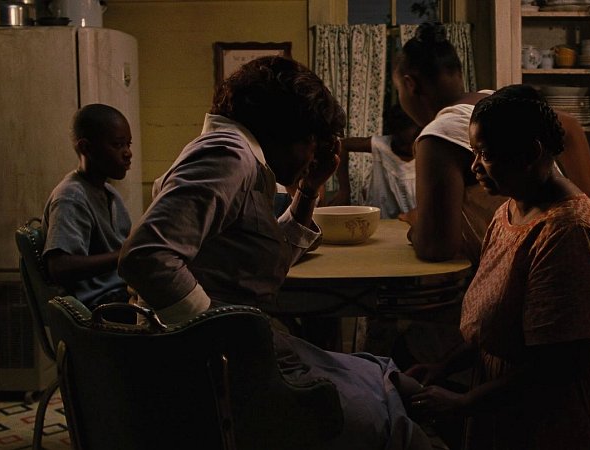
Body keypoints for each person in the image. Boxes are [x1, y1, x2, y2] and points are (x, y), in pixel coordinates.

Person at [117, 56, 431, 450]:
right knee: (388, 420)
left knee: (381, 378)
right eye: (312, 142)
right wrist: (228, 335)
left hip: (224, 352)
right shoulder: (228, 155)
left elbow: (264, 261)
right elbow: (146, 257)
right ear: (288, 130)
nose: (312, 156)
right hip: (213, 367)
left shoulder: (238, 158)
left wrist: (309, 190)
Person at [405, 86, 590, 450]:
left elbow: (561, 366)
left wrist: (463, 403)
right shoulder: (509, 212)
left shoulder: (570, 233)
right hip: (516, 411)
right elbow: (493, 331)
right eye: (473, 153)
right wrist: (442, 367)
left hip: (576, 422)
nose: (474, 167)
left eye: (486, 154)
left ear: (532, 152)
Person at [392, 22, 590, 264]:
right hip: (568, 255)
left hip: (527, 268)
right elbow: (569, 126)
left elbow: (436, 248)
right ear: (458, 73)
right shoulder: (494, 103)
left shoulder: (438, 135)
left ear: (410, 85)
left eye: (398, 90)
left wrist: (417, 223)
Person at [42, 103, 133, 309]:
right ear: (86, 148)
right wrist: (125, 255)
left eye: (128, 144)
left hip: (121, 293)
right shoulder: (71, 196)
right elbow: (59, 267)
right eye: (117, 145)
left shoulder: (110, 193)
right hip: (99, 305)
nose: (128, 153)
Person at [329, 104, 421, 219]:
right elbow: (342, 145)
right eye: (402, 143)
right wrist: (344, 190)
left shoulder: (425, 154)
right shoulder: (381, 146)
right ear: (393, 135)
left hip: (412, 224)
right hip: (380, 220)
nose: (408, 148)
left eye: (412, 142)